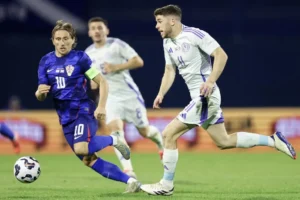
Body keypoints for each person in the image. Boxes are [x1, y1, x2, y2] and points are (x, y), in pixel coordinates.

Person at [140, 5, 296, 196]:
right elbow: (169, 70)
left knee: (168, 134)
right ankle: (273, 141)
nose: (156, 26)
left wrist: (211, 81)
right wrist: (161, 93)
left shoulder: (195, 35)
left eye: (159, 21)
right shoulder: (167, 43)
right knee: (224, 141)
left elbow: (221, 54)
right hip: (200, 97)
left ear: (172, 20)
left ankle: (166, 185)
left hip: (206, 96)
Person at [35, 20, 141, 193]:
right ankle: (131, 182)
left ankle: (115, 140)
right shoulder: (45, 62)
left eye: (66, 39)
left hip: (82, 111)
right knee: (88, 159)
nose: (62, 42)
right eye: (58, 39)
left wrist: (101, 106)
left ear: (72, 40)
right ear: (53, 40)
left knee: (81, 148)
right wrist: (39, 93)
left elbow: (103, 82)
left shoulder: (80, 59)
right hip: (65, 117)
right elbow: (41, 93)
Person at [85, 17, 164, 178]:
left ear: (107, 30)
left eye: (100, 27)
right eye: (93, 28)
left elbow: (138, 61)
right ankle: (129, 172)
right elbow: (93, 79)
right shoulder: (88, 54)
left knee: (145, 131)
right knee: (116, 132)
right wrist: (94, 91)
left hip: (129, 96)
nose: (97, 31)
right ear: (89, 32)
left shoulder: (117, 45)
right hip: (110, 99)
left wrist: (116, 67)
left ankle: (161, 144)